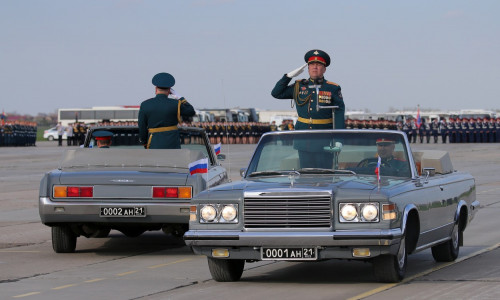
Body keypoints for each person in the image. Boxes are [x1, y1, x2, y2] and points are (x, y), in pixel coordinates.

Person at [271, 49, 345, 130]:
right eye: (312, 64)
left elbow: (339, 113)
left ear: (324, 69)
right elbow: (276, 93)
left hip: (324, 134)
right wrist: (288, 77)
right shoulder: (298, 86)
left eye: (319, 64)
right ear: (308, 68)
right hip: (301, 134)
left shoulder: (332, 88)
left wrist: (338, 137)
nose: (315, 67)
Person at [138, 73, 196, 149]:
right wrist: (180, 97)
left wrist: (144, 142)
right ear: (169, 90)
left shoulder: (145, 104)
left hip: (154, 143)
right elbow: (191, 111)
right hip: (172, 144)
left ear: (156, 89)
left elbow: (142, 126)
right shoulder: (176, 104)